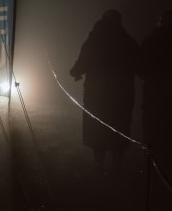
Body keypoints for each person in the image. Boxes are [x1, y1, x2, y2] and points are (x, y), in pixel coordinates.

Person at [69, 9, 141, 174]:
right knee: (119, 125)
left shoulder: (94, 40)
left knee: (98, 125)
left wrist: (75, 72)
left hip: (97, 94)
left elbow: (83, 61)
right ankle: (117, 163)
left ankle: (98, 162)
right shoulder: (127, 41)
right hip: (122, 94)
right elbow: (140, 66)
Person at [140, 10, 172, 159]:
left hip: (153, 87)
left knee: (151, 120)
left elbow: (141, 65)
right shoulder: (151, 40)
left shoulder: (150, 40)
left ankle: (150, 153)